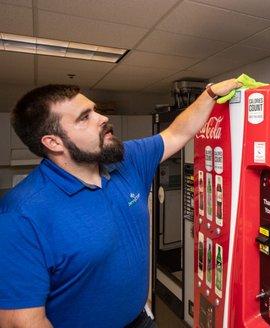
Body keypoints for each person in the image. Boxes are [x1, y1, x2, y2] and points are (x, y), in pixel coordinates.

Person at [0, 79, 241, 328]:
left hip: (141, 321)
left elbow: (177, 132)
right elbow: (22, 321)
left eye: (94, 110)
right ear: (53, 142)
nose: (102, 117)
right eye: (85, 117)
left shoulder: (127, 160)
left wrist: (210, 94)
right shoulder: (21, 215)